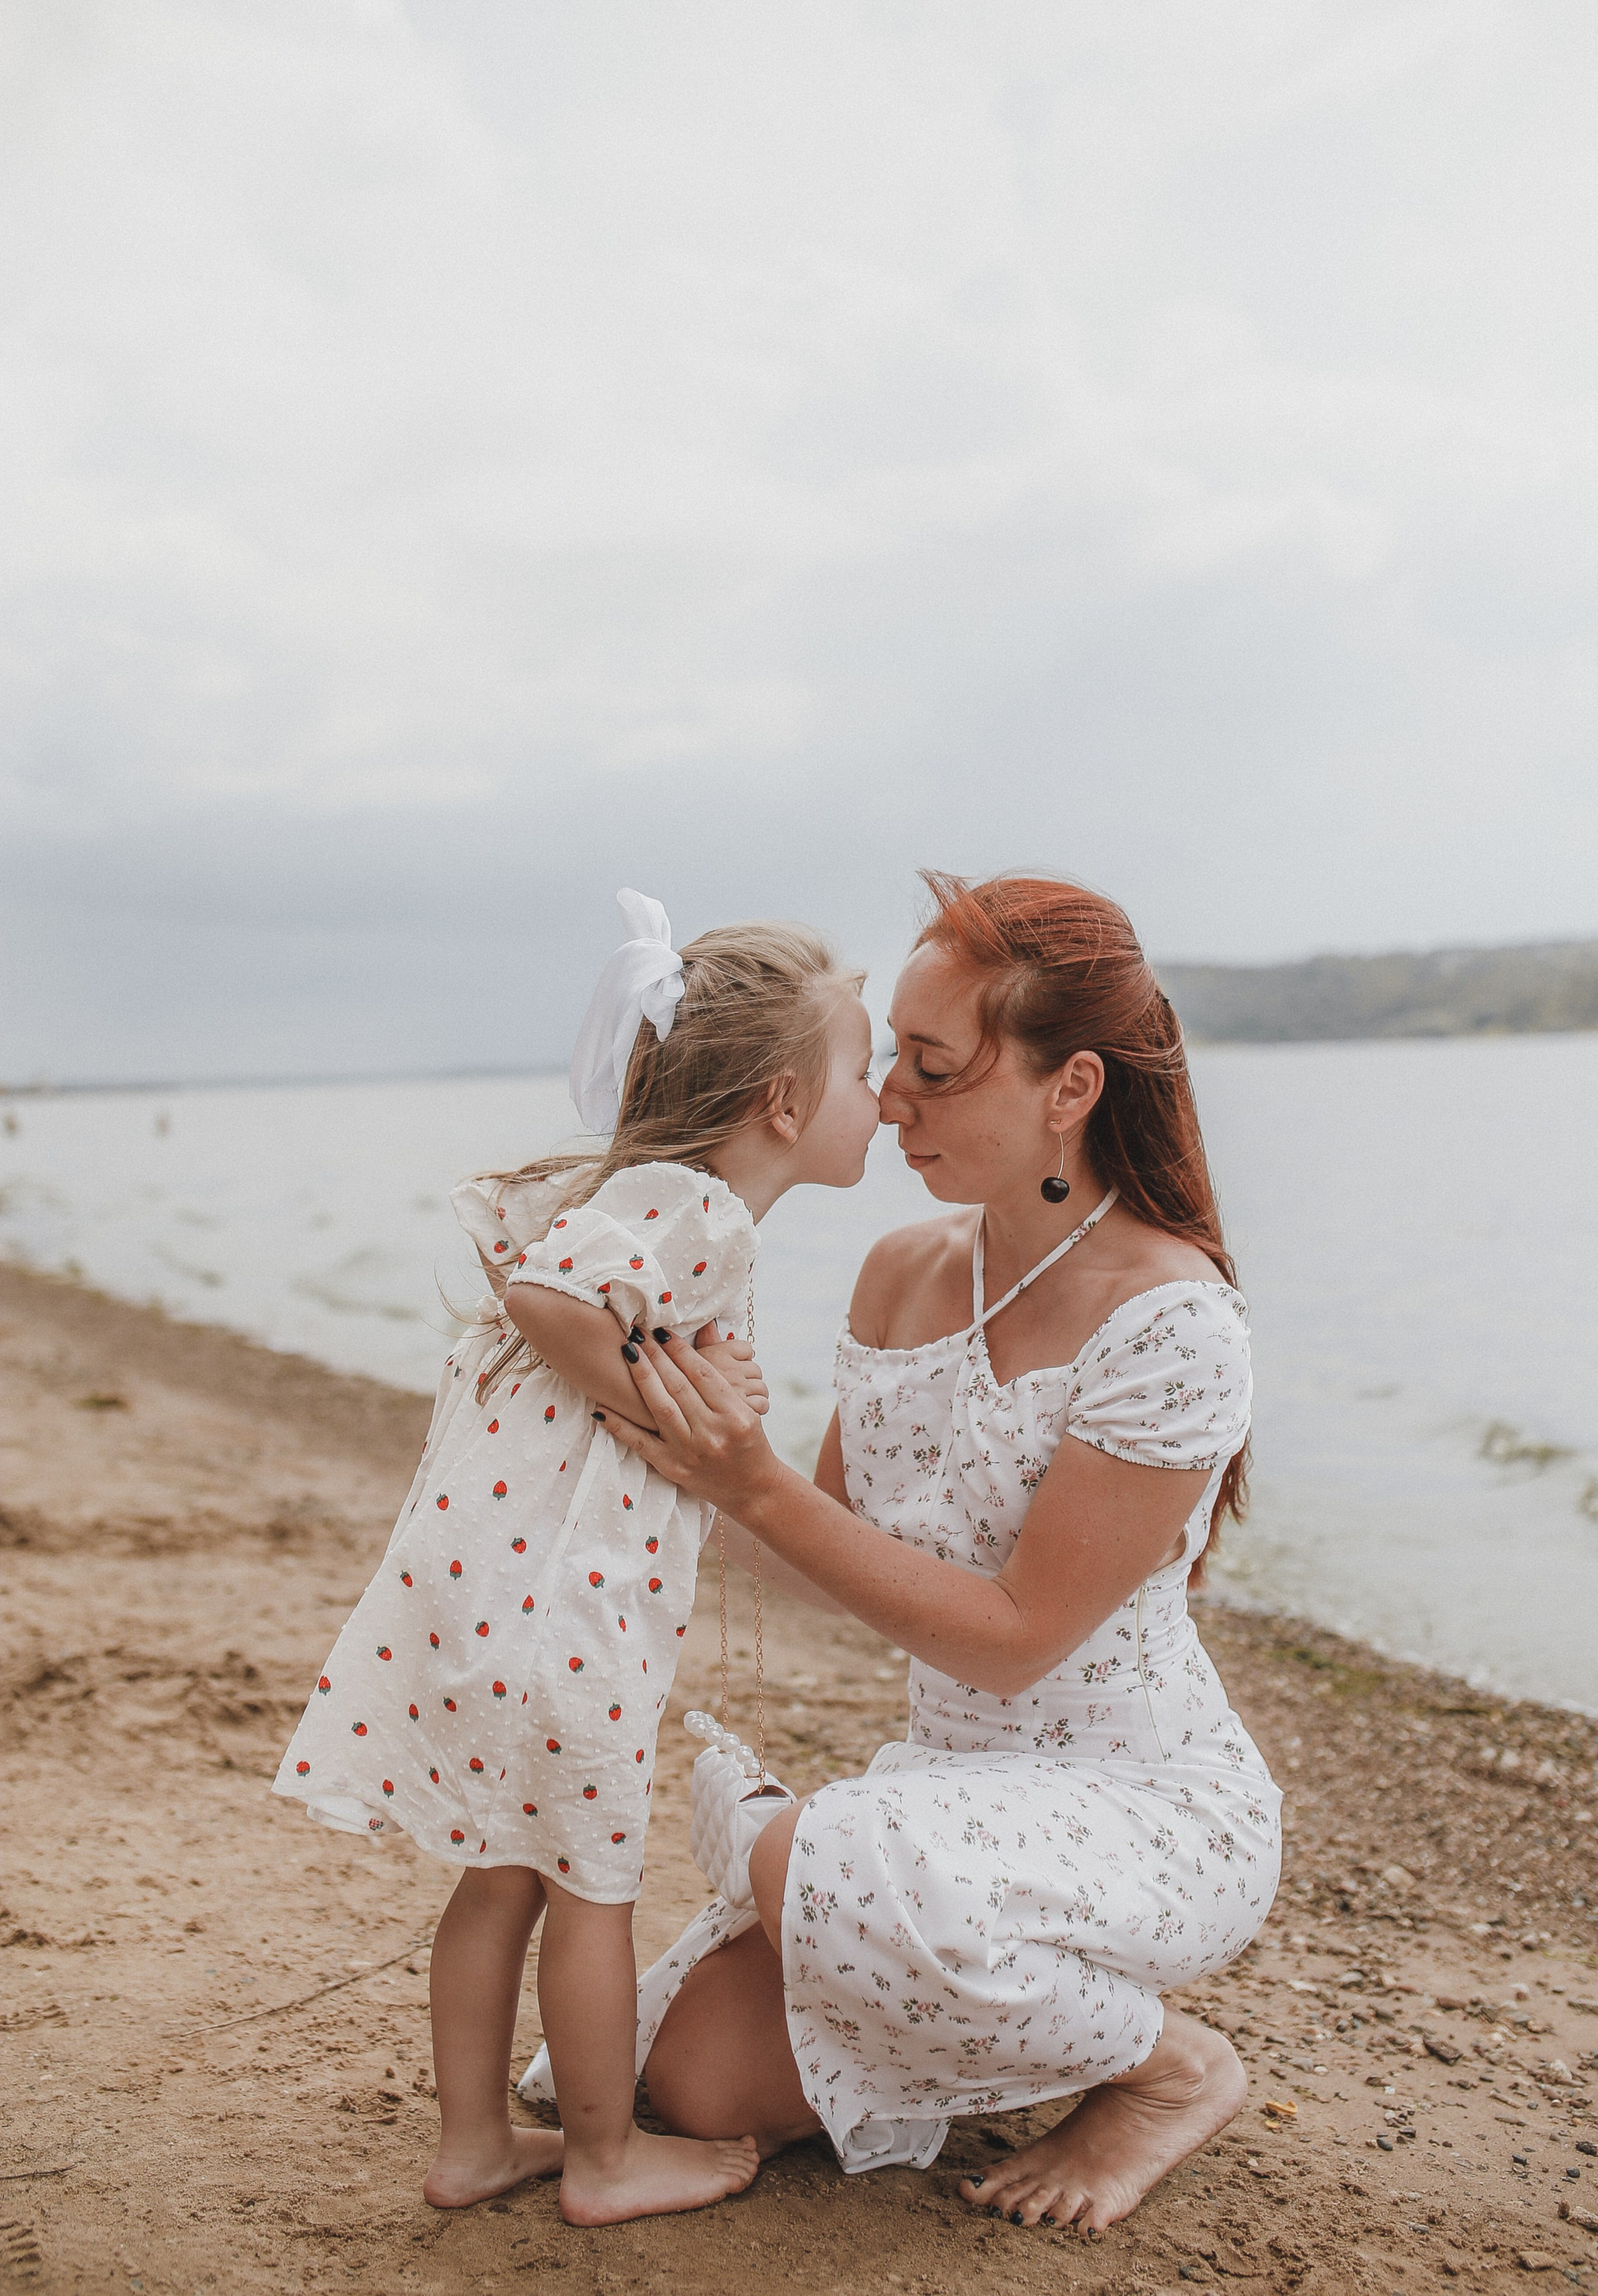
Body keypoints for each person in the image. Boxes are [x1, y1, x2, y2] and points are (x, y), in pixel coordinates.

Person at [597, 871, 1282, 2240]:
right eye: (889, 1060)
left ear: (1068, 1087)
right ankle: (984, 1984)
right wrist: (654, 1434)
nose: (889, 1098)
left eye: (932, 1064)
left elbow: (1017, 1639)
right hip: (954, 1800)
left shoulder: (1173, 1321)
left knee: (815, 1852)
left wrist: (754, 1483)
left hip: (1144, 1804)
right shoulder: (905, 1271)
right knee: (693, 2080)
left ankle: (1167, 2068)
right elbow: (816, 1544)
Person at [273, 893, 880, 2224]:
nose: (884, 1101)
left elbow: (576, 1297)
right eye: (866, 1072)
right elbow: (548, 1294)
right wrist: (659, 1398)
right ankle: (605, 2159)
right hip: (568, 1617)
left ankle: (475, 2144)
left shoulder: (659, 1204)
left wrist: (680, 1376)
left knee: (502, 1876)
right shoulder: (701, 1207)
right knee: (592, 1885)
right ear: (784, 1104)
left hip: (509, 1594)